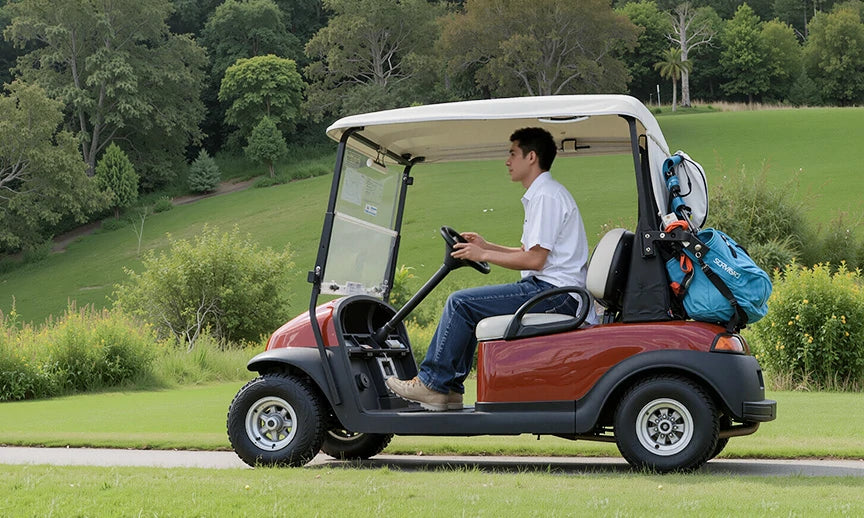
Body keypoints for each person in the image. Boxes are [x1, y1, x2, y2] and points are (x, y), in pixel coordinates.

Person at [386, 127, 594, 411]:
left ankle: (432, 384)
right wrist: (487, 246)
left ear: (531, 157)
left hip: (555, 294)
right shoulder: (544, 194)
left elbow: (535, 261)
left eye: (513, 154)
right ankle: (449, 390)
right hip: (554, 291)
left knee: (460, 303)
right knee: (468, 307)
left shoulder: (546, 196)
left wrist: (483, 254)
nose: (507, 161)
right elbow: (527, 252)